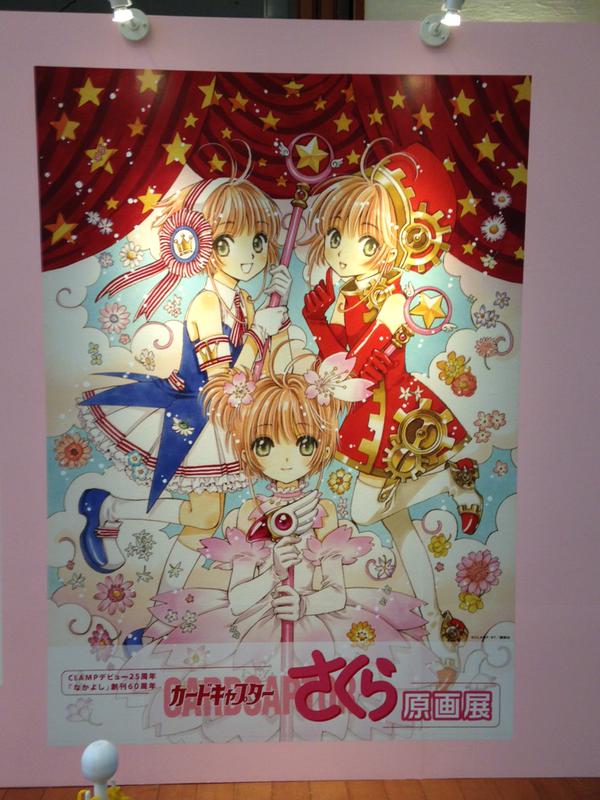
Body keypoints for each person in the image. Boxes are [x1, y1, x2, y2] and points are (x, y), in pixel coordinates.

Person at [125, 354, 434, 741]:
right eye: (265, 444)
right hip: (254, 625)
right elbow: (237, 599)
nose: (285, 458)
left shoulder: (322, 511)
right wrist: (271, 568)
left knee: (320, 704)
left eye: (303, 442)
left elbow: (336, 593)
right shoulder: (249, 514)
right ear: (247, 447)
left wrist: (305, 604)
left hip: (314, 624)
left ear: (321, 444)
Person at [301, 142, 482, 668]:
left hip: (395, 417)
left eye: (364, 239)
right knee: (397, 525)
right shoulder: (350, 294)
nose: (342, 250)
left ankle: (449, 483)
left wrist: (333, 364)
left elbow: (359, 366)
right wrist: (318, 323)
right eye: (336, 236)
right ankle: (436, 620)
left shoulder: (396, 298)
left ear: (395, 243)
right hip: (370, 413)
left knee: (364, 510)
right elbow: (338, 358)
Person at [78, 156, 291, 588]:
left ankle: (131, 539)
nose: (248, 256)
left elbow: (255, 370)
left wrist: (274, 317)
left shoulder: (243, 302)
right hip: (193, 414)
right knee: (204, 516)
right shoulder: (207, 304)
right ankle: (112, 512)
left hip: (222, 418)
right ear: (204, 244)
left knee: (204, 518)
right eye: (229, 242)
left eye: (257, 242)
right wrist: (259, 334)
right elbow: (224, 380)